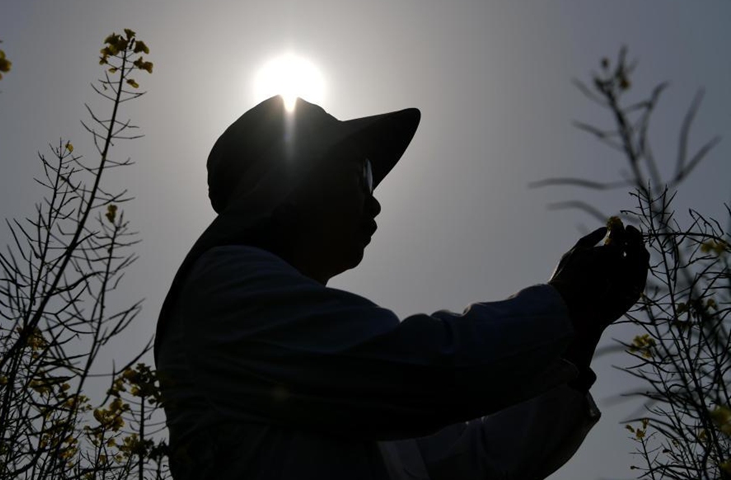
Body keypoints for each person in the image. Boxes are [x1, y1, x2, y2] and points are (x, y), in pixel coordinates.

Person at [154, 95, 650, 480]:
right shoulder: (223, 287)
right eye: (360, 174)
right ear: (290, 180)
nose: (374, 203)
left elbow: (479, 461)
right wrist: (561, 302)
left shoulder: (345, 379)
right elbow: (428, 368)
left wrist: (581, 328)